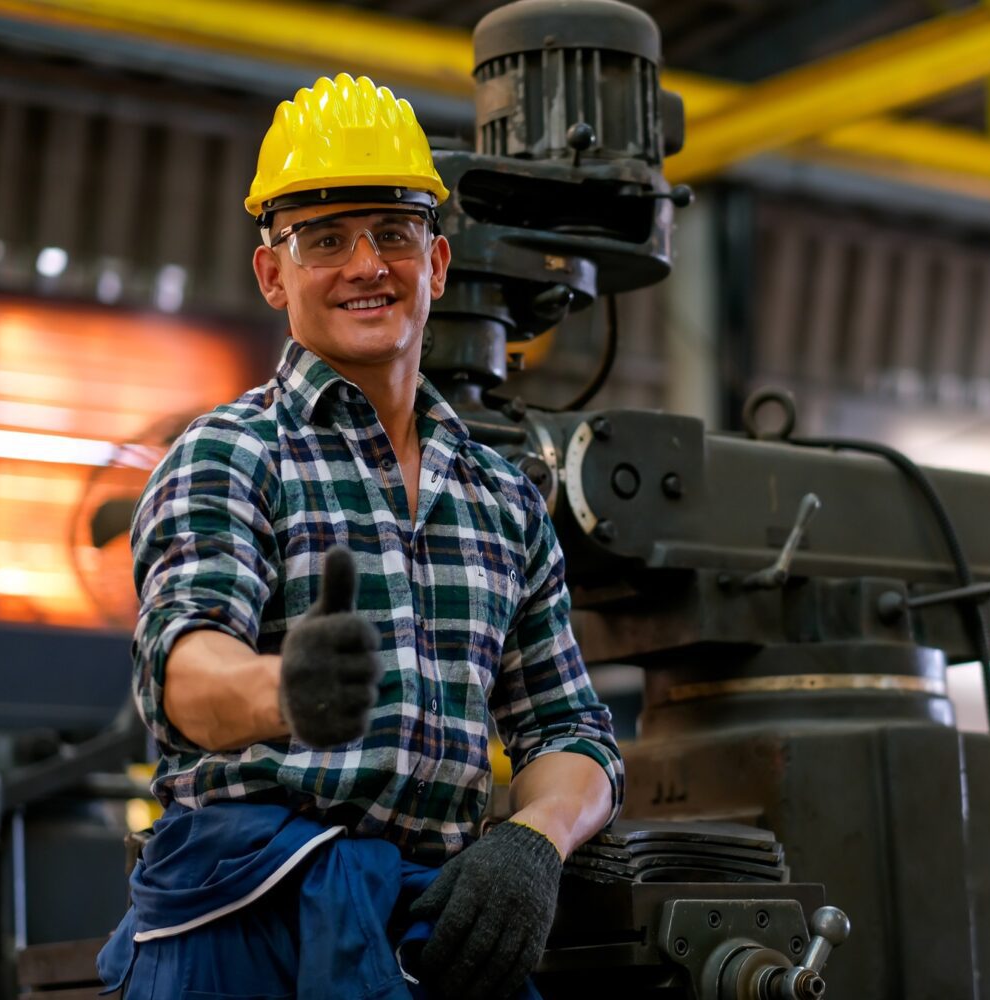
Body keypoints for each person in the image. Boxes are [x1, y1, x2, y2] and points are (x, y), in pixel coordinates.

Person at [97, 73, 623, 1000]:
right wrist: (283, 689)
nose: (366, 264)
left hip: (433, 928)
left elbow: (571, 728)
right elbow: (184, 672)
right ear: (273, 273)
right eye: (324, 239)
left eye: (393, 232)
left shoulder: (501, 497)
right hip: (242, 929)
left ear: (439, 261)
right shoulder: (229, 454)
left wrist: (534, 841)